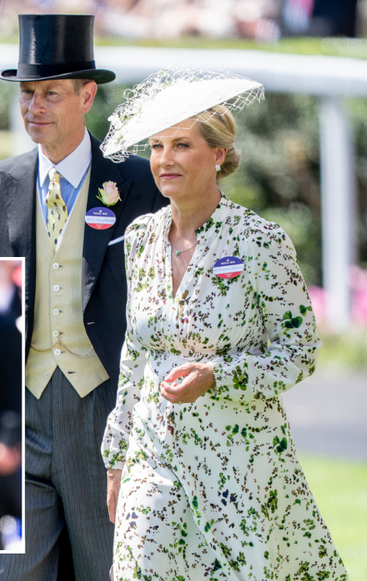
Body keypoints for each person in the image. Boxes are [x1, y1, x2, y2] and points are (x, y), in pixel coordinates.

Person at [100, 68, 347, 580]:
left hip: (238, 458)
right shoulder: (140, 237)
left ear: (217, 154)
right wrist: (117, 456)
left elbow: (299, 349)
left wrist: (218, 375)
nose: (164, 159)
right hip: (152, 454)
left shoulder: (260, 240)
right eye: (157, 146)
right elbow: (134, 352)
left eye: (181, 145)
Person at [0, 14, 166, 581]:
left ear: (87, 95)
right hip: (21, 414)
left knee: (108, 570)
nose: (34, 106)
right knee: (8, 574)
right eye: (27, 93)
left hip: (107, 413)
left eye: (50, 93)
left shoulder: (142, 184)